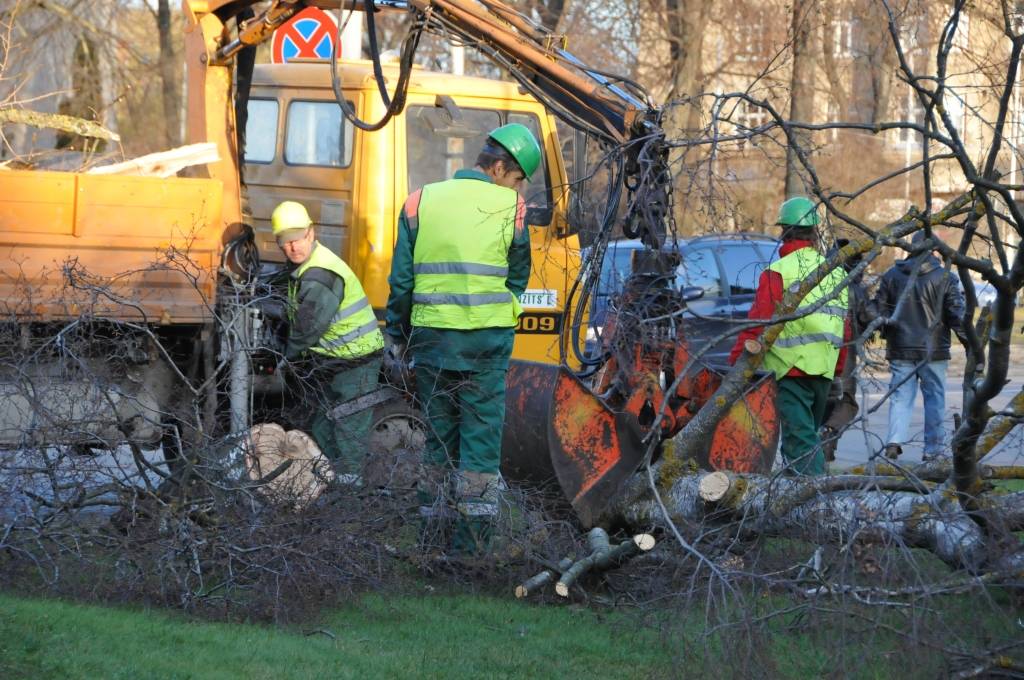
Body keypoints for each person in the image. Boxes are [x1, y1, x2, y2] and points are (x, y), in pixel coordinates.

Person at [384, 123, 538, 555]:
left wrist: (397, 334)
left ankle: (432, 541)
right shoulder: (513, 208)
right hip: (487, 345)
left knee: (438, 442)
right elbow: (517, 276)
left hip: (433, 342)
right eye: (516, 178)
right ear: (501, 167)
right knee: (479, 448)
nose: (515, 187)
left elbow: (402, 281)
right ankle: (470, 551)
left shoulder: (420, 201)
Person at [729, 196, 849, 476]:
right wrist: (837, 369)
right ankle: (795, 495)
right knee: (807, 437)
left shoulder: (779, 272)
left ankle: (814, 506)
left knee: (800, 443)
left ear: (783, 231)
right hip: (824, 371)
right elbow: (844, 327)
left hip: (790, 370)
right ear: (815, 232)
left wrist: (737, 362)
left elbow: (759, 322)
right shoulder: (834, 272)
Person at [272, 200, 385, 484]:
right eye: (286, 243)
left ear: (311, 233)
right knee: (322, 426)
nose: (293, 247)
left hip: (357, 361)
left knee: (349, 431)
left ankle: (349, 501)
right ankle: (335, 484)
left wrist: (283, 362)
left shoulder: (320, 274)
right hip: (335, 362)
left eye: (297, 240)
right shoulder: (302, 267)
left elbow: (305, 332)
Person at [877, 231, 967, 461]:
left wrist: (887, 332)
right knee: (934, 398)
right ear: (933, 250)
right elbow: (956, 313)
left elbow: (880, 312)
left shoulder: (892, 275)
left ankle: (894, 441)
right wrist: (969, 342)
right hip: (933, 350)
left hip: (901, 347)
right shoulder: (944, 276)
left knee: (900, 397)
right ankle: (933, 449)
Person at [820, 239, 874, 461]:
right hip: (846, 353)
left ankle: (824, 444)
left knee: (824, 400)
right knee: (847, 402)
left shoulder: (818, 284)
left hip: (816, 352)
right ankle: (829, 434)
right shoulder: (855, 290)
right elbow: (868, 321)